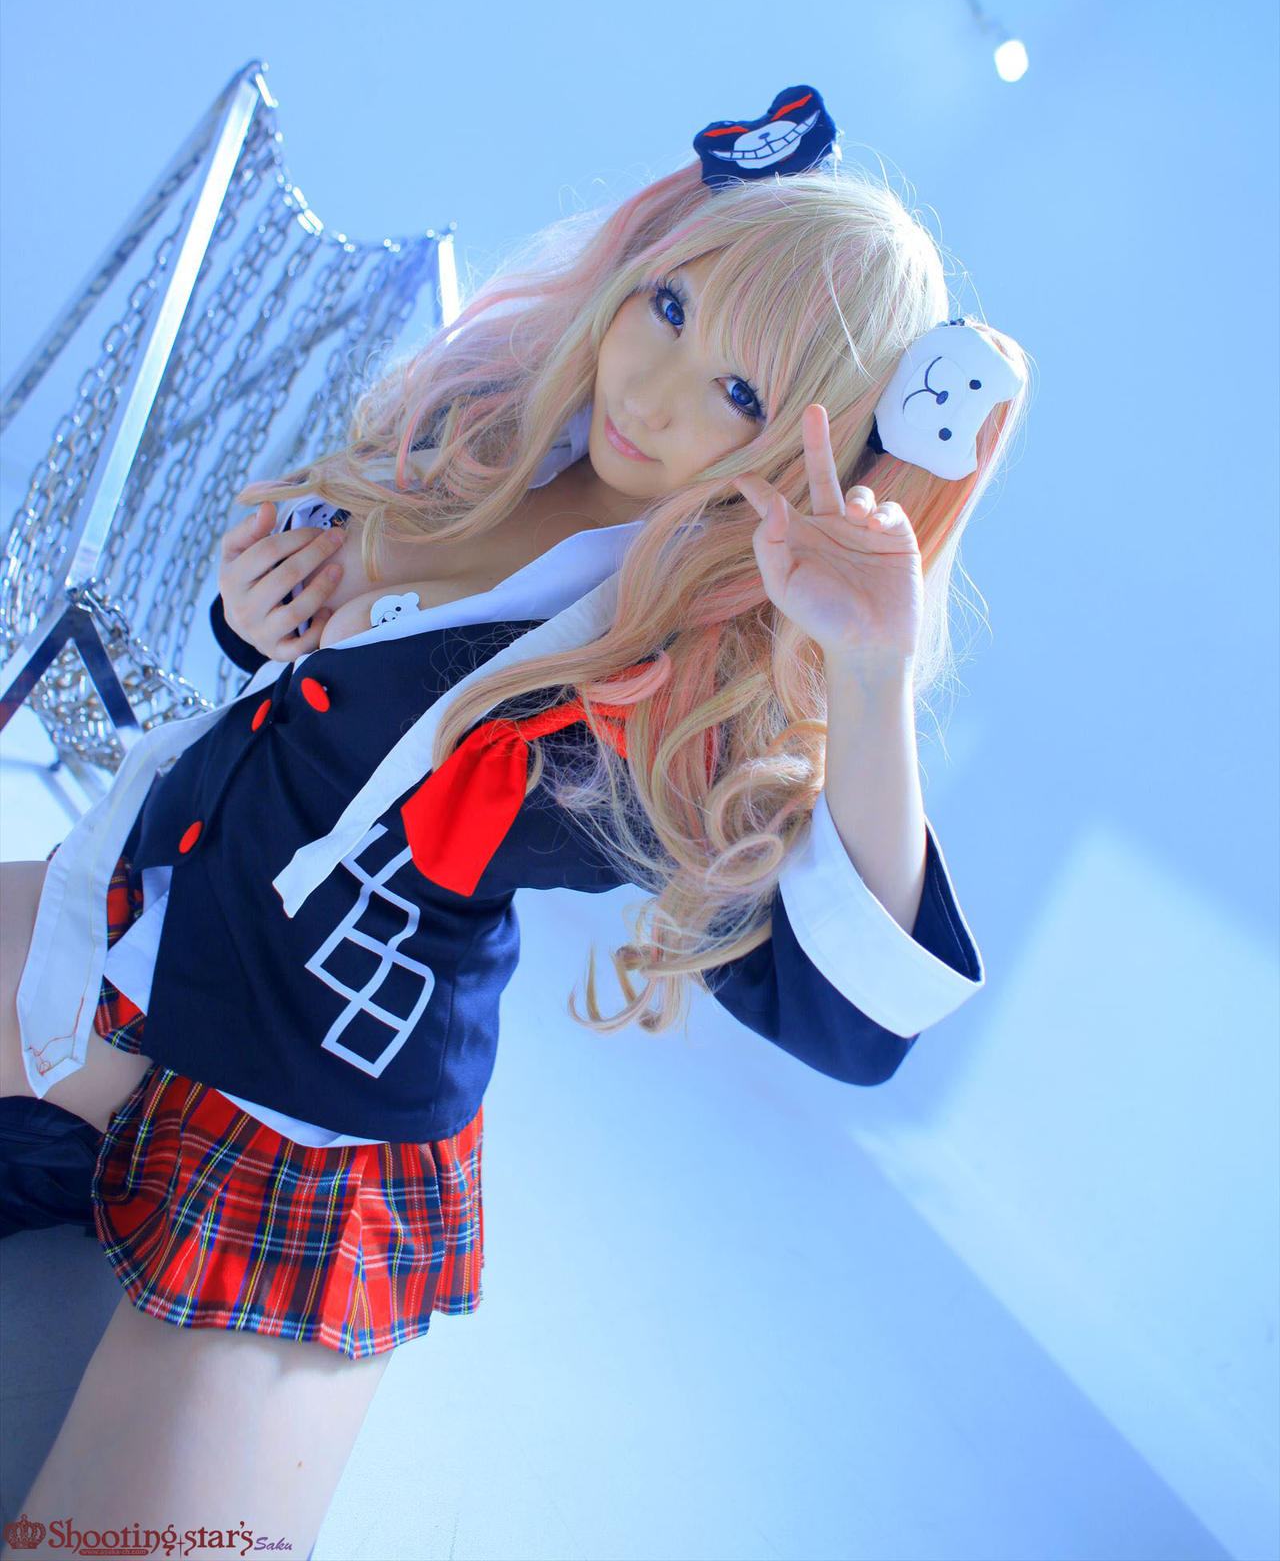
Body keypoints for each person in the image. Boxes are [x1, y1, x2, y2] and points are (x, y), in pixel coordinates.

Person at [0, 85, 1028, 1557]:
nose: (653, 393)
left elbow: (849, 1013)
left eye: (741, 396)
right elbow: (306, 705)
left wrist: (867, 679)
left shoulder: (675, 682)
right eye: (669, 305)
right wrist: (253, 616)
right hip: (135, 934)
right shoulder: (481, 431)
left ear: (814, 451)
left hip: (313, 1124)